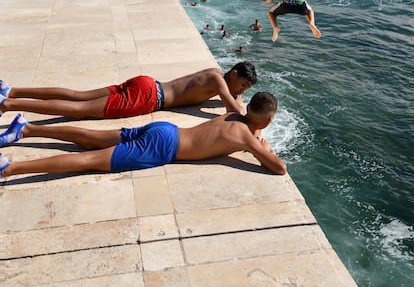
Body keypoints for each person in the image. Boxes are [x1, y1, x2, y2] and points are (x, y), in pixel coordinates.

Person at [0, 92, 286, 179]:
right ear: (269, 120)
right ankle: (10, 168)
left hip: (164, 129)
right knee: (88, 159)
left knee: (91, 137)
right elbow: (278, 169)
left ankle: (27, 128)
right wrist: (266, 148)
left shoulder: (234, 113)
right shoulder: (248, 137)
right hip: (164, 147)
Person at [0, 62, 257, 120]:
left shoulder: (214, 72)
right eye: (243, 84)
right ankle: (8, 105)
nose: (241, 90)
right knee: (79, 110)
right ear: (233, 74)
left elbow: (227, 96)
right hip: (148, 98)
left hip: (147, 83)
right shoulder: (220, 83)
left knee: (79, 95)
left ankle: (11, 91)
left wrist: (237, 93)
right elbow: (237, 113)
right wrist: (241, 101)